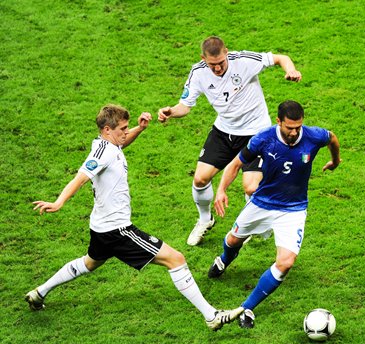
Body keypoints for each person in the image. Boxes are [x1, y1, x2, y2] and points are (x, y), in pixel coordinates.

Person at [25, 104, 243, 331]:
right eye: (123, 129)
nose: (125, 133)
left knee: (89, 263)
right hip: (117, 230)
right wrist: (58, 202)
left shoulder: (109, 144)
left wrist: (139, 129)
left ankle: (39, 292)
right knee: (176, 259)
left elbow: (121, 144)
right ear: (107, 130)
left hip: (100, 227)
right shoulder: (102, 153)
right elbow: (80, 178)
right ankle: (212, 316)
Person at [157, 36, 303, 246]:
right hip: (224, 131)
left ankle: (249, 226)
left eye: (220, 63)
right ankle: (205, 220)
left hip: (255, 132)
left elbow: (280, 57)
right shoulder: (198, 73)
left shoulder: (243, 60)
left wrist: (290, 70)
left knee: (251, 187)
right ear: (203, 59)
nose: (217, 69)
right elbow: (185, 106)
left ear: (226, 53)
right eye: (212, 65)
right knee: (200, 179)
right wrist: (171, 112)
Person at [208, 100, 341, 329]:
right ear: (278, 121)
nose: (294, 132)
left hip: (294, 209)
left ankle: (247, 307)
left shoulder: (312, 136)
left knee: (286, 262)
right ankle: (224, 260)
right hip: (262, 203)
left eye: (298, 127)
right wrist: (221, 190)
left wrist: (335, 161)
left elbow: (332, 138)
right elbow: (235, 165)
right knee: (232, 240)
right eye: (289, 127)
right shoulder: (263, 139)